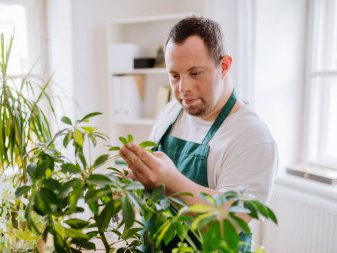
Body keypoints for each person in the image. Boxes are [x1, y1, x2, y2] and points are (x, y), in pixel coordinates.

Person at [119, 16, 278, 252]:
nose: (183, 88)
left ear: (223, 66)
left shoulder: (252, 137)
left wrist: (171, 181)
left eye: (195, 73)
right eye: (175, 76)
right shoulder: (171, 112)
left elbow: (229, 223)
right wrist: (137, 178)